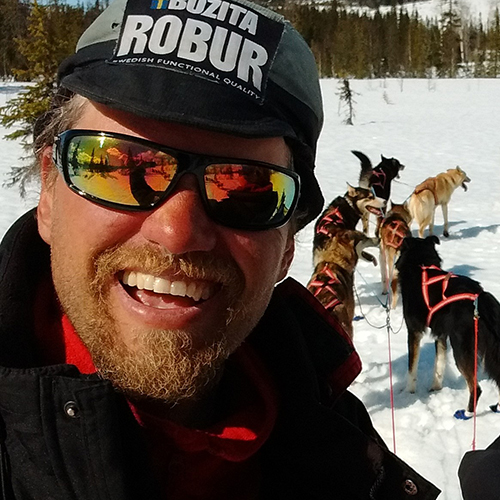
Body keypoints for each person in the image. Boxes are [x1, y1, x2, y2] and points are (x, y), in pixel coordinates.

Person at [0, 0, 441, 498]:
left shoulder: (335, 440)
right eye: (123, 167)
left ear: (288, 245)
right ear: (48, 194)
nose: (177, 231)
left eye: (248, 189)